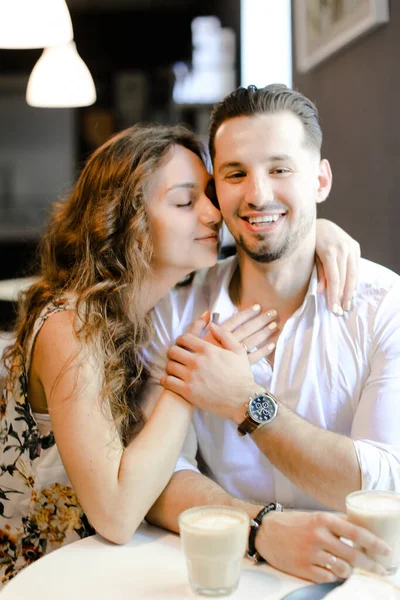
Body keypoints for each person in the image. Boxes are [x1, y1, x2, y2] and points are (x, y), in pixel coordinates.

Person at [0, 121, 358, 585]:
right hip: (47, 579)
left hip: (121, 569)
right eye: (186, 202)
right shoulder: (72, 324)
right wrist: (190, 376)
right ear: (124, 218)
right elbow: (117, 513)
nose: (213, 215)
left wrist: (318, 234)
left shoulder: (151, 316)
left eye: (209, 197)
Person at [143, 85, 400, 583]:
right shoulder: (175, 312)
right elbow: (158, 479)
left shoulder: (384, 305)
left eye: (280, 169)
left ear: (320, 180)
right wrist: (259, 528)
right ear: (217, 191)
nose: (258, 194)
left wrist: (247, 402)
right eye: (236, 174)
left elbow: (384, 482)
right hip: (225, 573)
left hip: (362, 577)